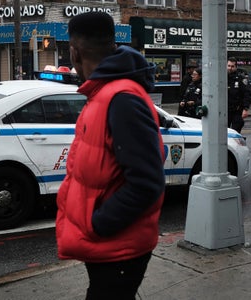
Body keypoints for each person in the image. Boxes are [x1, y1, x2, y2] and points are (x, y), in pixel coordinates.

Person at [55, 12, 166, 300]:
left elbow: (146, 183)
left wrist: (97, 224)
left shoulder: (121, 99)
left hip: (118, 248)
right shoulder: (103, 95)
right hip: (108, 246)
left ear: (75, 52)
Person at [227, 57, 251, 133]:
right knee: (223, 133)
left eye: (232, 66)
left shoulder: (241, 79)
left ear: (236, 67)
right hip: (225, 111)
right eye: (228, 66)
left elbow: (247, 93)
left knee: (235, 133)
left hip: (237, 110)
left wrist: (245, 108)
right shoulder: (222, 78)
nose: (230, 68)